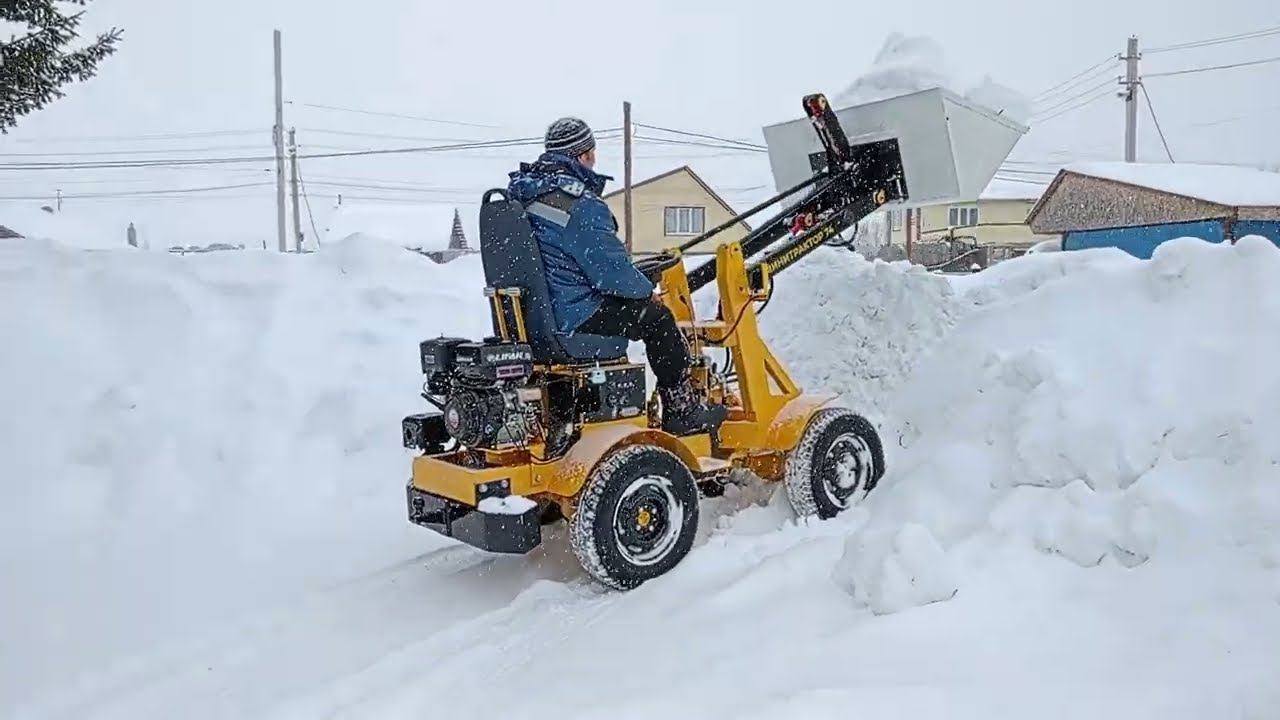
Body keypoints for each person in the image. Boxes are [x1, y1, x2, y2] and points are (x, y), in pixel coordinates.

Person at [507, 117, 726, 436]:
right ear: (583, 155)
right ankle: (683, 411)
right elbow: (611, 275)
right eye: (591, 153)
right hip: (574, 314)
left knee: (641, 311)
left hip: (538, 318)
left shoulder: (524, 196)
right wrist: (644, 290)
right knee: (658, 320)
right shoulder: (577, 203)